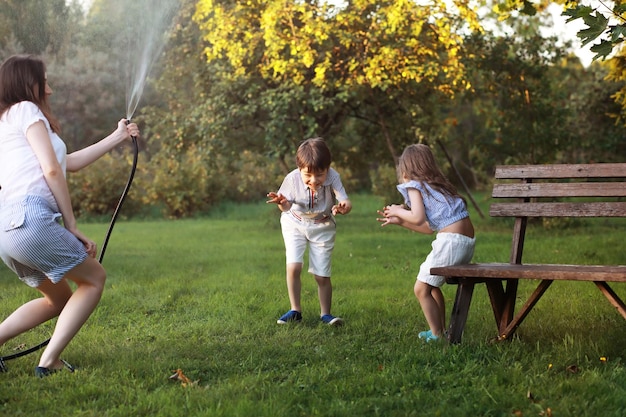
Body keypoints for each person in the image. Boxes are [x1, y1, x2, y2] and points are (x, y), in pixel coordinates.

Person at [0, 54, 140, 376]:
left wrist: (117, 137)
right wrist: (72, 225)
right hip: (30, 219)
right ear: (28, 84)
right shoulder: (27, 110)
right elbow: (51, 170)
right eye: (44, 80)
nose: (49, 89)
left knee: (58, 299)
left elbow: (67, 162)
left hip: (7, 230)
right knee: (94, 279)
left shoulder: (6, 121)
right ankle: (49, 362)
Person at [376, 144, 475, 342]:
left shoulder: (414, 185)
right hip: (465, 242)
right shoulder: (438, 187)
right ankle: (440, 330)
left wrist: (397, 210)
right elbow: (428, 227)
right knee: (432, 286)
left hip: (450, 241)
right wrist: (402, 222)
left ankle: (437, 335)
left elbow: (418, 216)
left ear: (405, 169)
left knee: (420, 289)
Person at [267, 137, 352, 326]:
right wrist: (282, 203)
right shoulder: (292, 179)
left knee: (321, 275)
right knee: (294, 266)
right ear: (299, 169)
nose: (314, 180)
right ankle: (295, 310)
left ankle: (326, 315)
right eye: (308, 175)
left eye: (320, 174)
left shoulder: (333, 177)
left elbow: (345, 200)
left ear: (328, 168)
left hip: (322, 226)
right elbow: (287, 206)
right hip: (295, 223)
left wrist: (344, 207)